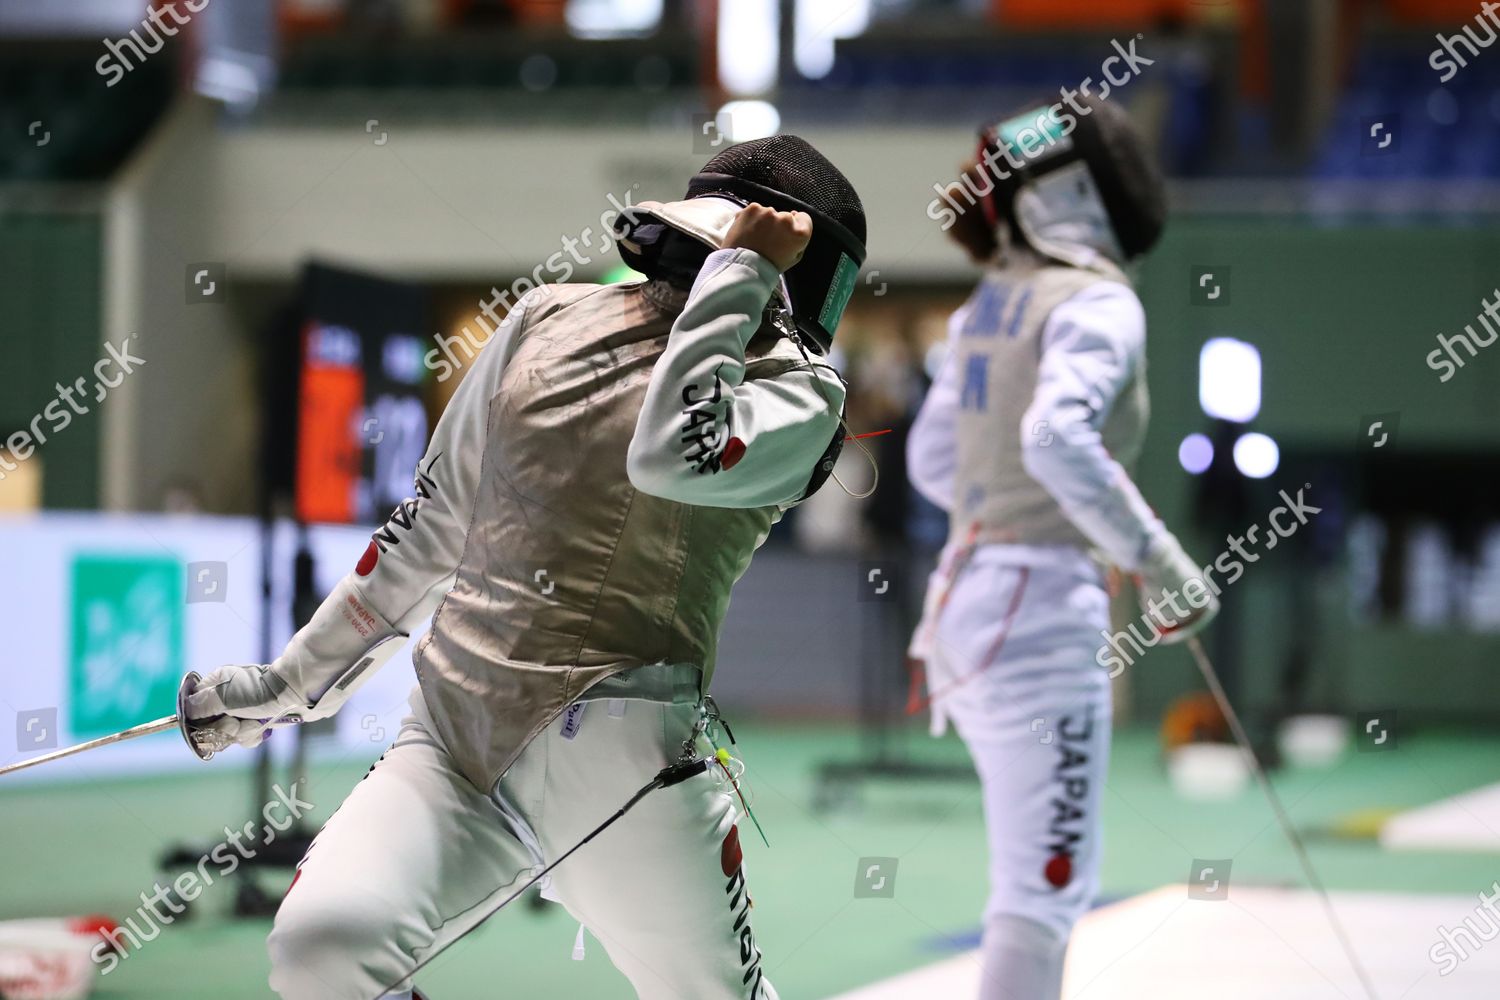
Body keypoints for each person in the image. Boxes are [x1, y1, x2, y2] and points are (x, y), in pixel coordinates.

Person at [182, 134, 866, 1000]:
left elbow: (673, 453)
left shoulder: (803, 395)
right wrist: (290, 683)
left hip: (626, 777)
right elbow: (430, 528)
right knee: (322, 949)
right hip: (452, 740)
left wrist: (735, 279)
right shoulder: (543, 319)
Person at [907, 94, 1217, 1000]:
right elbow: (1055, 438)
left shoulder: (989, 304)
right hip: (1036, 612)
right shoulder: (1098, 302)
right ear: (1095, 190)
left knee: (1034, 876)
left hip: (964, 603)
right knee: (1044, 888)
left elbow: (936, 459)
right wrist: (1160, 562)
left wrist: (1017, 516)